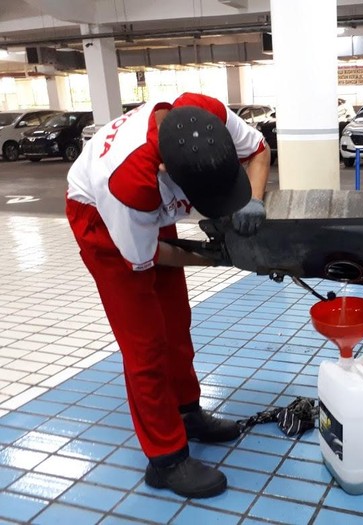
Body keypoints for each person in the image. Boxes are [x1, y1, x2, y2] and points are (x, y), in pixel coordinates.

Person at [65, 93, 271, 499]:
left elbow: (259, 150)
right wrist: (219, 259)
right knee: (146, 344)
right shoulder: (129, 186)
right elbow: (150, 256)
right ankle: (165, 459)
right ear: (166, 170)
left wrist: (254, 201)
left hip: (145, 210)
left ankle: (187, 412)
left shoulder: (204, 113)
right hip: (102, 222)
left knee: (177, 321)